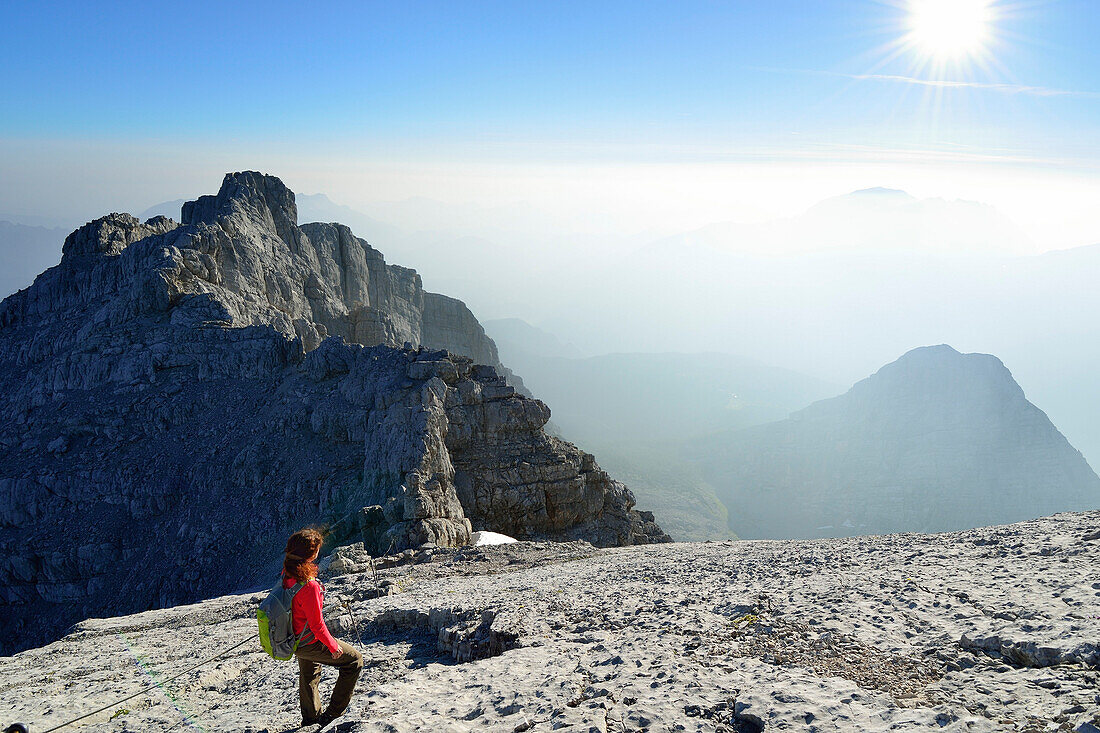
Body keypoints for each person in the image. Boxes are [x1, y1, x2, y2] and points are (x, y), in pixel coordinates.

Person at [283, 528, 363, 727]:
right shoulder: (309, 586)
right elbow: (317, 624)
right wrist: (333, 647)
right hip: (308, 640)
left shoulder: (287, 573)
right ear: (311, 554)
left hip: (295, 637)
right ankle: (333, 714)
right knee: (354, 661)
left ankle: (311, 719)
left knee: (309, 674)